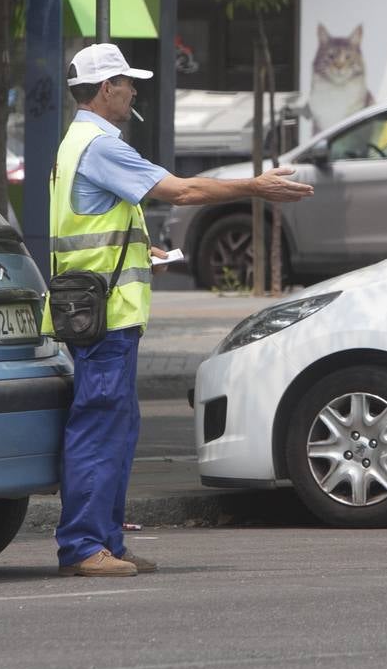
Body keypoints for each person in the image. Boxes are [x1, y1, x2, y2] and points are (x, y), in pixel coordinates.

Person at [47, 43, 313, 577]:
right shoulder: (100, 145)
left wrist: (144, 253)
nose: (134, 91)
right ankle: (83, 547)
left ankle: (107, 542)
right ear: (106, 89)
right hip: (105, 316)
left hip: (99, 309)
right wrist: (254, 186)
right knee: (100, 428)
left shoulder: (77, 142)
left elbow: (89, 229)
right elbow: (182, 189)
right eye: (127, 83)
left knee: (114, 428)